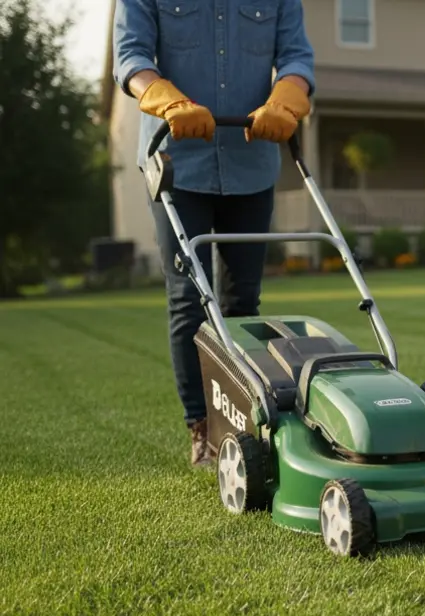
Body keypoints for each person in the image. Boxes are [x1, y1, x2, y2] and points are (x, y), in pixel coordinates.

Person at [113, 0, 316, 468]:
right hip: (176, 163)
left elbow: (297, 57)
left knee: (243, 301)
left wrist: (285, 98)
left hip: (252, 162)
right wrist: (169, 100)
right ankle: (202, 427)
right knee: (190, 298)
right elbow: (130, 56)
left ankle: (242, 416)